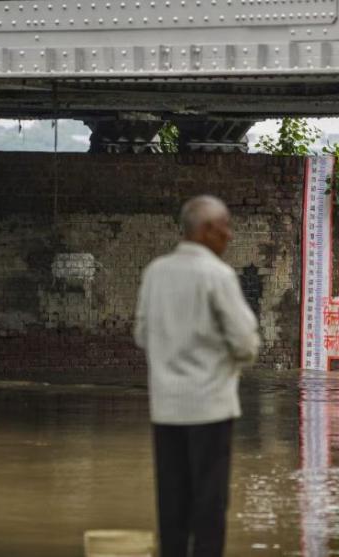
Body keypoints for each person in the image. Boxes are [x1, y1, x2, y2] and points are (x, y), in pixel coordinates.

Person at [134, 195, 260, 557]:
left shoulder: (155, 272)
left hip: (166, 409)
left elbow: (141, 335)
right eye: (224, 227)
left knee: (171, 502)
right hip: (209, 409)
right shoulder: (217, 275)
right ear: (205, 230)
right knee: (209, 503)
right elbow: (246, 343)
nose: (229, 235)